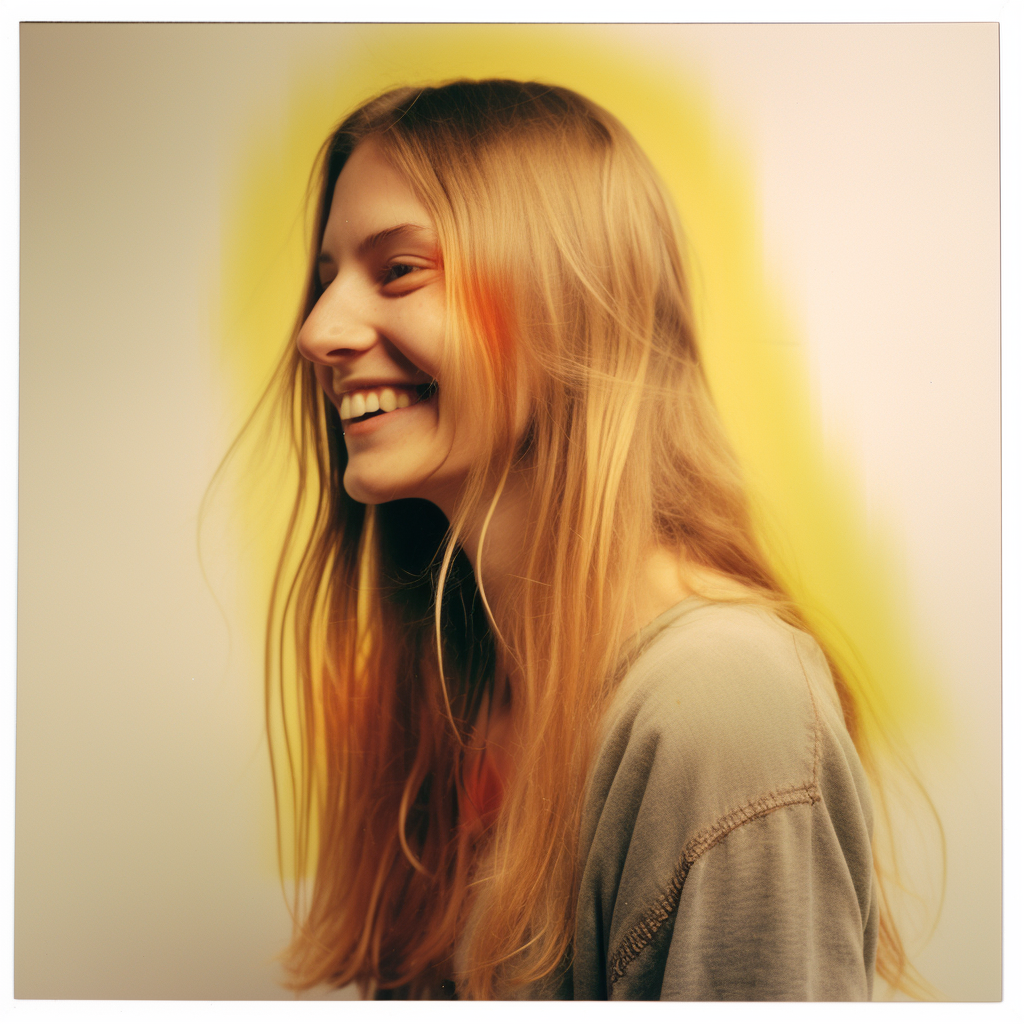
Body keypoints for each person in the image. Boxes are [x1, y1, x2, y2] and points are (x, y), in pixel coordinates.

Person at [257, 78, 911, 1000]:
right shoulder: (471, 687)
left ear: (566, 298)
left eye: (398, 270)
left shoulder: (721, 711)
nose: (317, 331)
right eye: (326, 279)